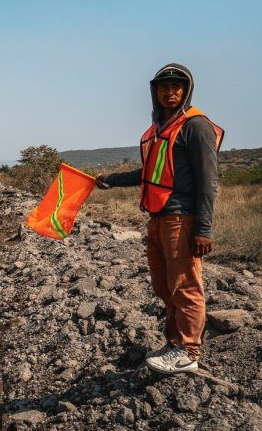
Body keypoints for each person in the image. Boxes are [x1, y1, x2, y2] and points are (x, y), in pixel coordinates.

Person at [96, 63, 224, 375]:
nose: (170, 92)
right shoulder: (160, 129)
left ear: (186, 91)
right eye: (164, 87)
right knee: (164, 286)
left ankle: (188, 351)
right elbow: (149, 174)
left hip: (182, 218)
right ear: (155, 91)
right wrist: (110, 179)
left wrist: (203, 230)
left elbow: (209, 181)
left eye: (177, 87)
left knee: (184, 286)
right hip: (158, 218)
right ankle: (174, 343)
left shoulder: (196, 127)